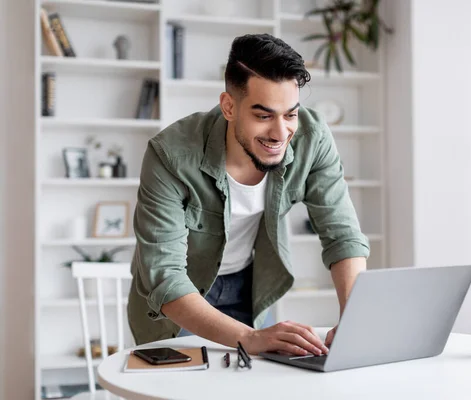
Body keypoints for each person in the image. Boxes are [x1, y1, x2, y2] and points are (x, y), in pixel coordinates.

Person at [127, 33, 370, 357]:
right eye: (263, 115)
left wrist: (355, 320)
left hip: (249, 287)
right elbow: (165, 276)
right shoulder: (170, 155)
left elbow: (343, 235)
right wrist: (250, 338)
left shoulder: (313, 138)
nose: (281, 133)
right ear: (229, 106)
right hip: (182, 298)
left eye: (291, 114)